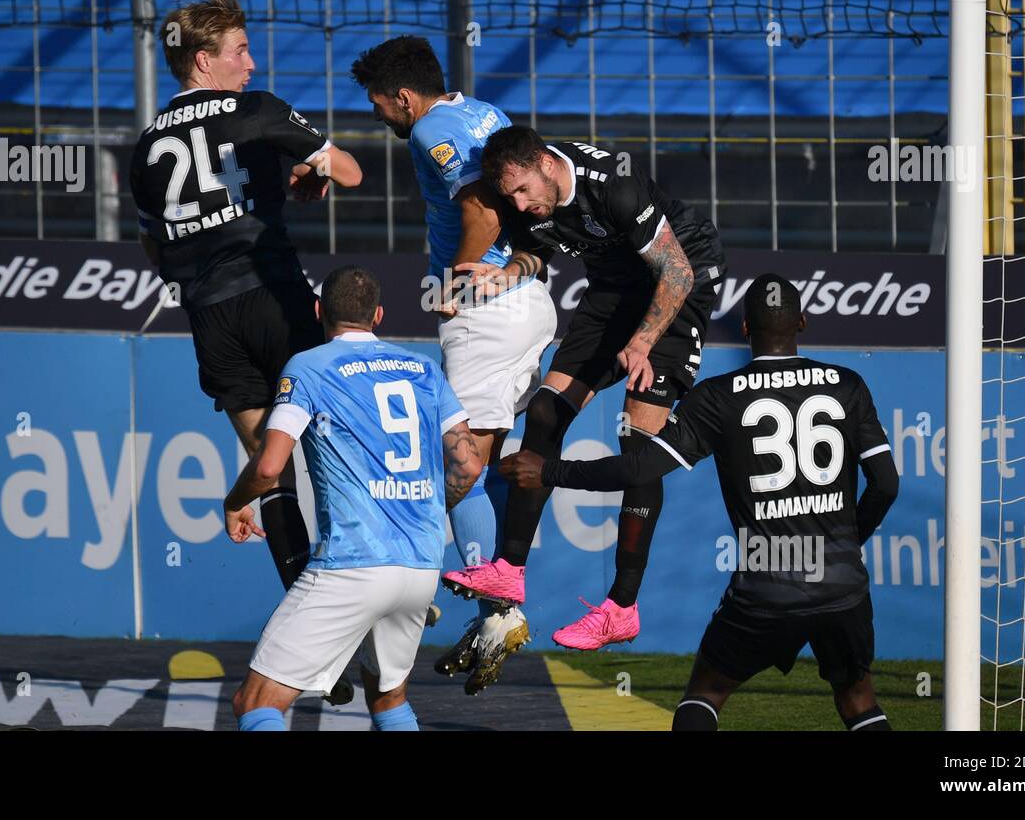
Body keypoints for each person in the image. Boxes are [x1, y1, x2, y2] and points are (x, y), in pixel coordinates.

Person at [500, 274, 899, 730]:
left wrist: (549, 470)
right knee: (859, 703)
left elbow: (637, 470)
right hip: (840, 586)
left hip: (765, 588)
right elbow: (885, 485)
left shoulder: (719, 396)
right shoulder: (847, 385)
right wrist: (843, 544)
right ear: (803, 322)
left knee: (705, 695)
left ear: (746, 330)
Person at [129, 0, 363, 701]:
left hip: (209, 318)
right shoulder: (255, 110)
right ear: (204, 60)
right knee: (331, 457)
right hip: (276, 298)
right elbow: (349, 169)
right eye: (239, 51)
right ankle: (370, 607)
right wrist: (310, 172)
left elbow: (162, 251)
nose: (251, 61)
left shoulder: (143, 149)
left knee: (269, 472)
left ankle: (311, 653)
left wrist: (273, 184)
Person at [443, 124, 725, 649]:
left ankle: (621, 607)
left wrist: (641, 343)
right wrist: (503, 275)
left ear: (547, 164)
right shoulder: (531, 200)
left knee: (639, 444)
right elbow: (536, 254)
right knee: (547, 412)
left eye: (524, 190)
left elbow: (677, 272)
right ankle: (509, 569)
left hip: (679, 278)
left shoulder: (611, 182)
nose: (521, 204)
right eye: (511, 197)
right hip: (614, 289)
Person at [350, 36, 556, 692]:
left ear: (403, 97)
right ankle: (496, 607)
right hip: (530, 303)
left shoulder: (430, 129)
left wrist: (457, 287)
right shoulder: (483, 113)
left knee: (455, 459)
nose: (380, 116)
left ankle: (404, 589)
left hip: (488, 313)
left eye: (380, 104)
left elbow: (484, 207)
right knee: (481, 459)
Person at [225, 266, 483, 731]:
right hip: (421, 566)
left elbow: (268, 467)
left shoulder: (309, 365)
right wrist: (421, 509)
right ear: (379, 315)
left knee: (255, 702)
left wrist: (233, 501)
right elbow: (468, 465)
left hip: (353, 562)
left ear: (319, 310)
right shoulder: (422, 367)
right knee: (388, 699)